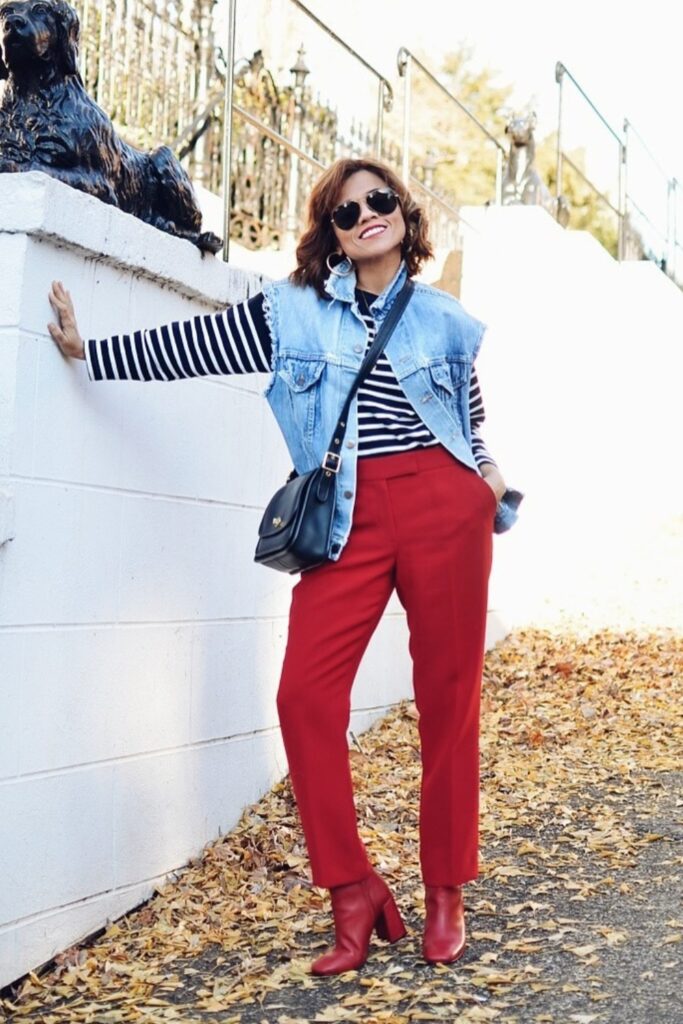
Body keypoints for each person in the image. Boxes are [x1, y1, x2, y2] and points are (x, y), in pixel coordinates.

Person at [48, 156, 520, 976]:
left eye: (379, 201)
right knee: (303, 697)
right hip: (346, 517)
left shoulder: (446, 317)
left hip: (447, 509)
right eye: (347, 212)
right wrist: (92, 350)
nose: (367, 215)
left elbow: (467, 416)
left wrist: (486, 477)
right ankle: (352, 890)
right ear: (331, 237)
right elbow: (191, 345)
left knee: (449, 701)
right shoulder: (292, 311)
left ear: (402, 214)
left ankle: (445, 890)